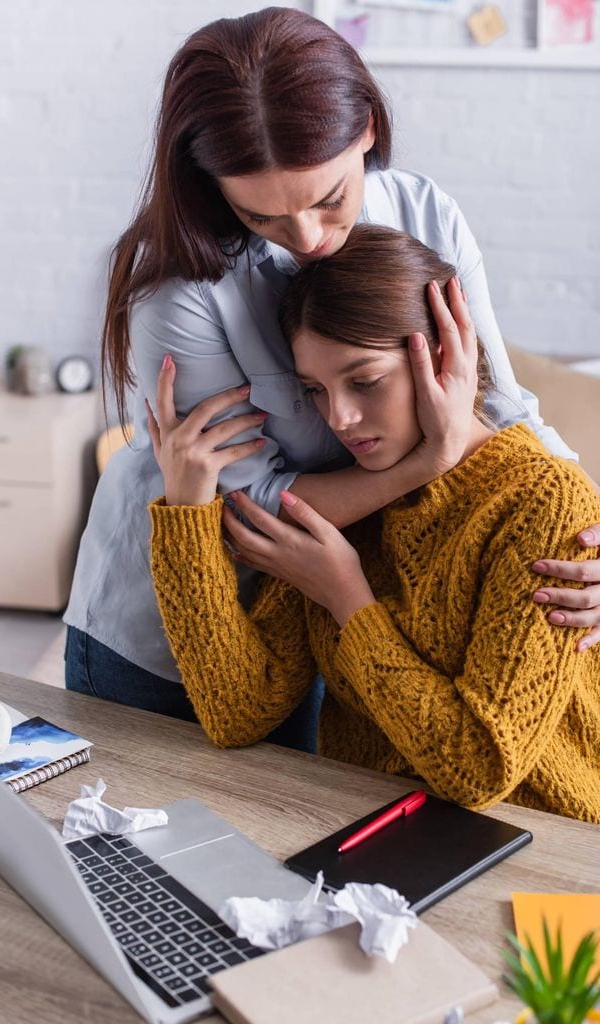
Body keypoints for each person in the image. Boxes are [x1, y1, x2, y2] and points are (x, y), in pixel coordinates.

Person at [64, 7, 600, 750]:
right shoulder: (184, 291)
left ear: (369, 131)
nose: (310, 240)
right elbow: (256, 509)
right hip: (186, 627)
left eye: (328, 199)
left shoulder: (422, 211)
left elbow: (500, 403)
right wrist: (422, 466)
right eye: (263, 218)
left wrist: (591, 540)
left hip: (337, 593)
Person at [147, 225, 600, 823]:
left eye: (365, 381)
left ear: (445, 354)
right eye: (316, 390)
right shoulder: (347, 493)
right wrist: (185, 509)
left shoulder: (542, 500)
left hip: (540, 843)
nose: (341, 417)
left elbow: (482, 765)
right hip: (376, 834)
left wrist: (347, 598)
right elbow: (239, 710)